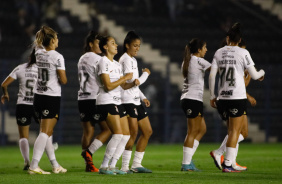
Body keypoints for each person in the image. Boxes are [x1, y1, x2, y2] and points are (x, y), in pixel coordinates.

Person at [209, 22, 265, 172]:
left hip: (222, 97)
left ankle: (230, 162)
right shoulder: (243, 53)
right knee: (236, 132)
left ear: (228, 38)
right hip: (236, 97)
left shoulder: (218, 52)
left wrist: (213, 95)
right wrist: (262, 73)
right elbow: (254, 75)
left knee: (233, 131)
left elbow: (212, 75)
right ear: (239, 40)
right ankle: (227, 164)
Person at [27, 25, 67, 174]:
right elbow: (63, 80)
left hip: (38, 96)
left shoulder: (38, 52)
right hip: (50, 96)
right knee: (45, 132)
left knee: (47, 133)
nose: (58, 40)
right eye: (56, 38)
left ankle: (55, 165)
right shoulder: (57, 56)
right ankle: (34, 165)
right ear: (51, 41)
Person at [95, 35, 137, 175]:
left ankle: (112, 166)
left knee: (126, 135)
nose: (116, 45)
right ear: (105, 47)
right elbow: (107, 86)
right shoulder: (103, 62)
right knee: (118, 134)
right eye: (113, 43)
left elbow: (123, 86)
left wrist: (131, 83)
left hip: (117, 101)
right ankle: (103, 166)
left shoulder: (117, 64)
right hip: (106, 101)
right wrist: (125, 77)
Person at [119, 31, 153, 173]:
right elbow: (135, 82)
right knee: (133, 133)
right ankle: (125, 166)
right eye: (135, 45)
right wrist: (146, 74)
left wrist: (142, 97)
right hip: (127, 101)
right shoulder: (125, 59)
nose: (137, 48)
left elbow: (135, 85)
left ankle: (136, 164)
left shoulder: (133, 60)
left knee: (147, 131)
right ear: (127, 45)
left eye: (139, 46)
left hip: (135, 101)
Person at [77, 31, 111, 172]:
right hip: (95, 98)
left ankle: (88, 165)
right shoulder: (98, 59)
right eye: (98, 43)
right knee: (108, 129)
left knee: (87, 132)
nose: (101, 46)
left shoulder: (82, 58)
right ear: (91, 44)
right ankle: (89, 153)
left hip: (82, 98)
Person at [180, 38, 211, 171]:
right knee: (192, 131)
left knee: (202, 129)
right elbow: (216, 69)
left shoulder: (187, 61)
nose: (206, 50)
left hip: (190, 99)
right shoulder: (198, 61)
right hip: (192, 99)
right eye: (205, 47)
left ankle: (188, 159)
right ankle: (186, 163)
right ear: (199, 49)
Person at [1, 61, 38, 170]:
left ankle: (27, 162)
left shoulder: (20, 68)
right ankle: (49, 162)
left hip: (23, 104)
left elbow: (4, 84)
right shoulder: (41, 68)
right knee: (46, 132)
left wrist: (6, 93)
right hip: (38, 104)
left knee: (23, 136)